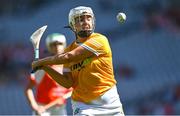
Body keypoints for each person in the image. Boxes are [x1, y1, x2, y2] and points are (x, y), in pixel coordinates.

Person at [32, 6, 125, 115]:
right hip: (82, 105)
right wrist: (45, 67)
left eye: (88, 18)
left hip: (109, 101)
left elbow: (69, 57)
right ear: (72, 24)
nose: (86, 22)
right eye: (80, 19)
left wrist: (41, 62)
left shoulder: (100, 40)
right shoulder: (68, 49)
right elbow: (67, 83)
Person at [25, 33, 72, 116]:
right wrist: (35, 106)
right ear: (48, 46)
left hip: (60, 109)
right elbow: (28, 89)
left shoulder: (68, 66)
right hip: (43, 109)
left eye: (60, 44)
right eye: (53, 44)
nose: (57, 47)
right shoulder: (43, 66)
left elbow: (72, 88)